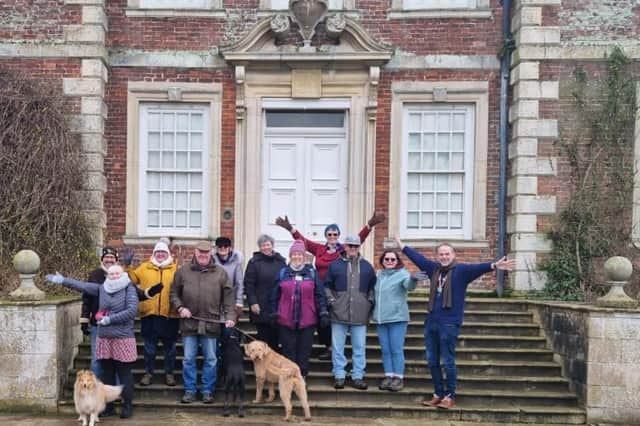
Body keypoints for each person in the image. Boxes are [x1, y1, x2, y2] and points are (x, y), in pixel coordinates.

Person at [395, 236, 516, 409]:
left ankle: (450, 396)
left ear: (453, 255)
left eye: (447, 253)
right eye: (441, 254)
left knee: (448, 360)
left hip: (449, 323)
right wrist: (402, 246)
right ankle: (438, 394)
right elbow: (418, 258)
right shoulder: (433, 269)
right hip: (432, 322)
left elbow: (478, 268)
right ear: (437, 256)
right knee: (432, 360)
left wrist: (495, 266)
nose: (444, 256)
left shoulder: (462, 271)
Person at [275, 212, 385, 360]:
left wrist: (369, 225)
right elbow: (303, 241)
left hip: (337, 291)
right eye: (329, 234)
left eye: (335, 234)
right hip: (318, 290)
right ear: (326, 236)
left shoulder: (343, 249)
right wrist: (290, 229)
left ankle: (336, 348)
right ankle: (328, 347)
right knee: (322, 321)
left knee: (335, 321)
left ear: (338, 236)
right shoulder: (319, 249)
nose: (332, 237)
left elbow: (359, 239)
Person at [47, 265, 138, 419]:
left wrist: (109, 319)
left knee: (124, 374)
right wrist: (62, 280)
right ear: (107, 275)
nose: (114, 275)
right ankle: (108, 407)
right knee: (107, 374)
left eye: (117, 273)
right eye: (111, 273)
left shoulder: (129, 289)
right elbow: (82, 286)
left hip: (123, 338)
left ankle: (127, 405)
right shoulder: (102, 288)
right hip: (104, 338)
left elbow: (131, 311)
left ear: (122, 274)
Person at [169, 240, 237, 404]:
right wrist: (180, 308)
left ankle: (207, 391)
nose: (203, 257)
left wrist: (230, 317)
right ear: (195, 254)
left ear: (210, 254)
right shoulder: (183, 271)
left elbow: (228, 299)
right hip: (189, 323)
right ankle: (190, 390)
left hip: (211, 323)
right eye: (200, 254)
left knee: (211, 359)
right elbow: (173, 294)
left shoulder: (220, 273)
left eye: (206, 254)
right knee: (188, 359)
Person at [270, 240, 330, 380]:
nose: (297, 257)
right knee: (288, 352)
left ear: (304, 256)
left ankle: (301, 379)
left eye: (300, 254)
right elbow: (274, 295)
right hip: (285, 320)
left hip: (307, 320)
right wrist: (273, 312)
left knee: (303, 352)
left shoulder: (311, 273)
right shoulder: (283, 273)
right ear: (290, 256)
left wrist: (323, 312)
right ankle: (289, 380)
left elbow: (319, 295)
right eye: (294, 254)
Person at [324, 235, 376, 390]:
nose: (353, 249)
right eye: (350, 246)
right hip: (339, 313)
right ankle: (339, 374)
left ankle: (358, 376)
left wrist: (368, 303)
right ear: (344, 246)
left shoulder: (367, 266)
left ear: (359, 247)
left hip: (360, 313)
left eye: (356, 246)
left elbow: (372, 288)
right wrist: (332, 302)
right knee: (337, 347)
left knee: (359, 347)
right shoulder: (335, 266)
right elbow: (327, 286)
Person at [128, 240, 179, 387]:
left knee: (170, 348)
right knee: (149, 347)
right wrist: (127, 267)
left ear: (168, 254)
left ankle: (169, 374)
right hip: (149, 314)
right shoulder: (144, 267)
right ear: (154, 254)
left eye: (163, 252)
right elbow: (131, 279)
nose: (161, 255)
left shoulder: (175, 269)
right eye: (158, 252)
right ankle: (148, 373)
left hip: (170, 315)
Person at [372, 249, 418, 392]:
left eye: (393, 259)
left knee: (396, 350)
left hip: (397, 318)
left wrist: (413, 279)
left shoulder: (402, 274)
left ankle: (398, 378)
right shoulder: (379, 275)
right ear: (382, 261)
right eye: (387, 259)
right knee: (385, 350)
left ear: (397, 261)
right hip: (381, 319)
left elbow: (408, 286)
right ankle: (388, 376)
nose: (390, 262)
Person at [80, 246, 119, 378]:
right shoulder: (94, 275)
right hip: (98, 324)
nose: (109, 260)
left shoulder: (121, 275)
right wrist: (84, 318)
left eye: (112, 257)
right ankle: (95, 389)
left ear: (116, 259)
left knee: (117, 359)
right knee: (97, 358)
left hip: (116, 324)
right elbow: (86, 298)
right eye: (106, 257)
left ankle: (116, 391)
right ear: (102, 259)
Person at [244, 234, 287, 351]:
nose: (266, 247)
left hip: (278, 307)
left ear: (272, 246)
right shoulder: (254, 262)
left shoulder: (281, 261)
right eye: (263, 245)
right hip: (260, 306)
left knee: (276, 341)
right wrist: (252, 302)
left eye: (268, 245)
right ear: (259, 247)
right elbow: (249, 284)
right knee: (263, 340)